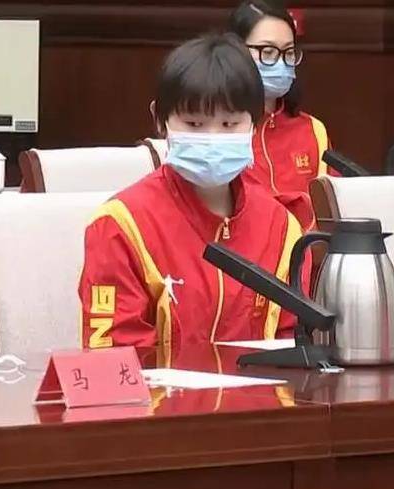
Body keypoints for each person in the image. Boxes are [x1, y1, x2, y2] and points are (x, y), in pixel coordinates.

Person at [79, 33, 307, 364]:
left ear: (254, 123)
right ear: (160, 120)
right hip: (158, 398)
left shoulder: (282, 228)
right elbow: (110, 361)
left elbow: (294, 350)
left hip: (262, 396)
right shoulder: (119, 226)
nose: (213, 138)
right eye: (194, 123)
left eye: (229, 123)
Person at [230, 1, 334, 220]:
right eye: (268, 52)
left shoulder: (314, 131)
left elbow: (332, 213)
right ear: (235, 52)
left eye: (288, 52)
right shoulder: (219, 131)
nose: (280, 63)